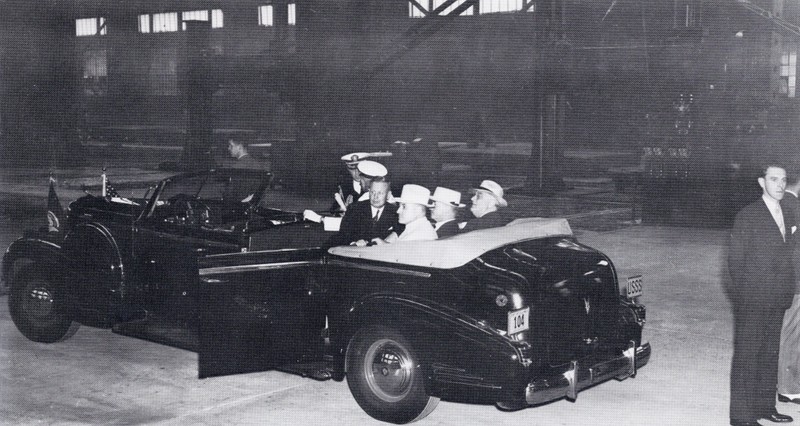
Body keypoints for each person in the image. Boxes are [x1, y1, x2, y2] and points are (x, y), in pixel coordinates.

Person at [728, 164, 796, 426]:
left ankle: (765, 407)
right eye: (773, 179)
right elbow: (735, 261)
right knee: (747, 354)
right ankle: (741, 417)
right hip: (754, 299)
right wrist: (747, 296)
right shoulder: (748, 215)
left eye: (783, 180)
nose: (780, 184)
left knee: (769, 354)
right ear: (761, 182)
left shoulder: (788, 212)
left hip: (778, 297)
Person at [778, 171, 800, 404]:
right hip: (795, 282)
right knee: (792, 334)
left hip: (787, 280)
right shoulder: (793, 206)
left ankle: (786, 383)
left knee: (788, 332)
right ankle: (788, 388)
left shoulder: (781, 203)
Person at [327, 179, 399, 247]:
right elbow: (343, 235)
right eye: (372, 192)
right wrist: (354, 243)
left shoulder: (397, 212)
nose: (375, 197)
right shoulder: (354, 208)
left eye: (380, 193)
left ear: (388, 195)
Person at [368, 184, 437, 245]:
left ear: (418, 210)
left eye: (404, 206)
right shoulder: (415, 229)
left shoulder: (420, 235)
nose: (398, 211)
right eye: (399, 206)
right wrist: (385, 245)